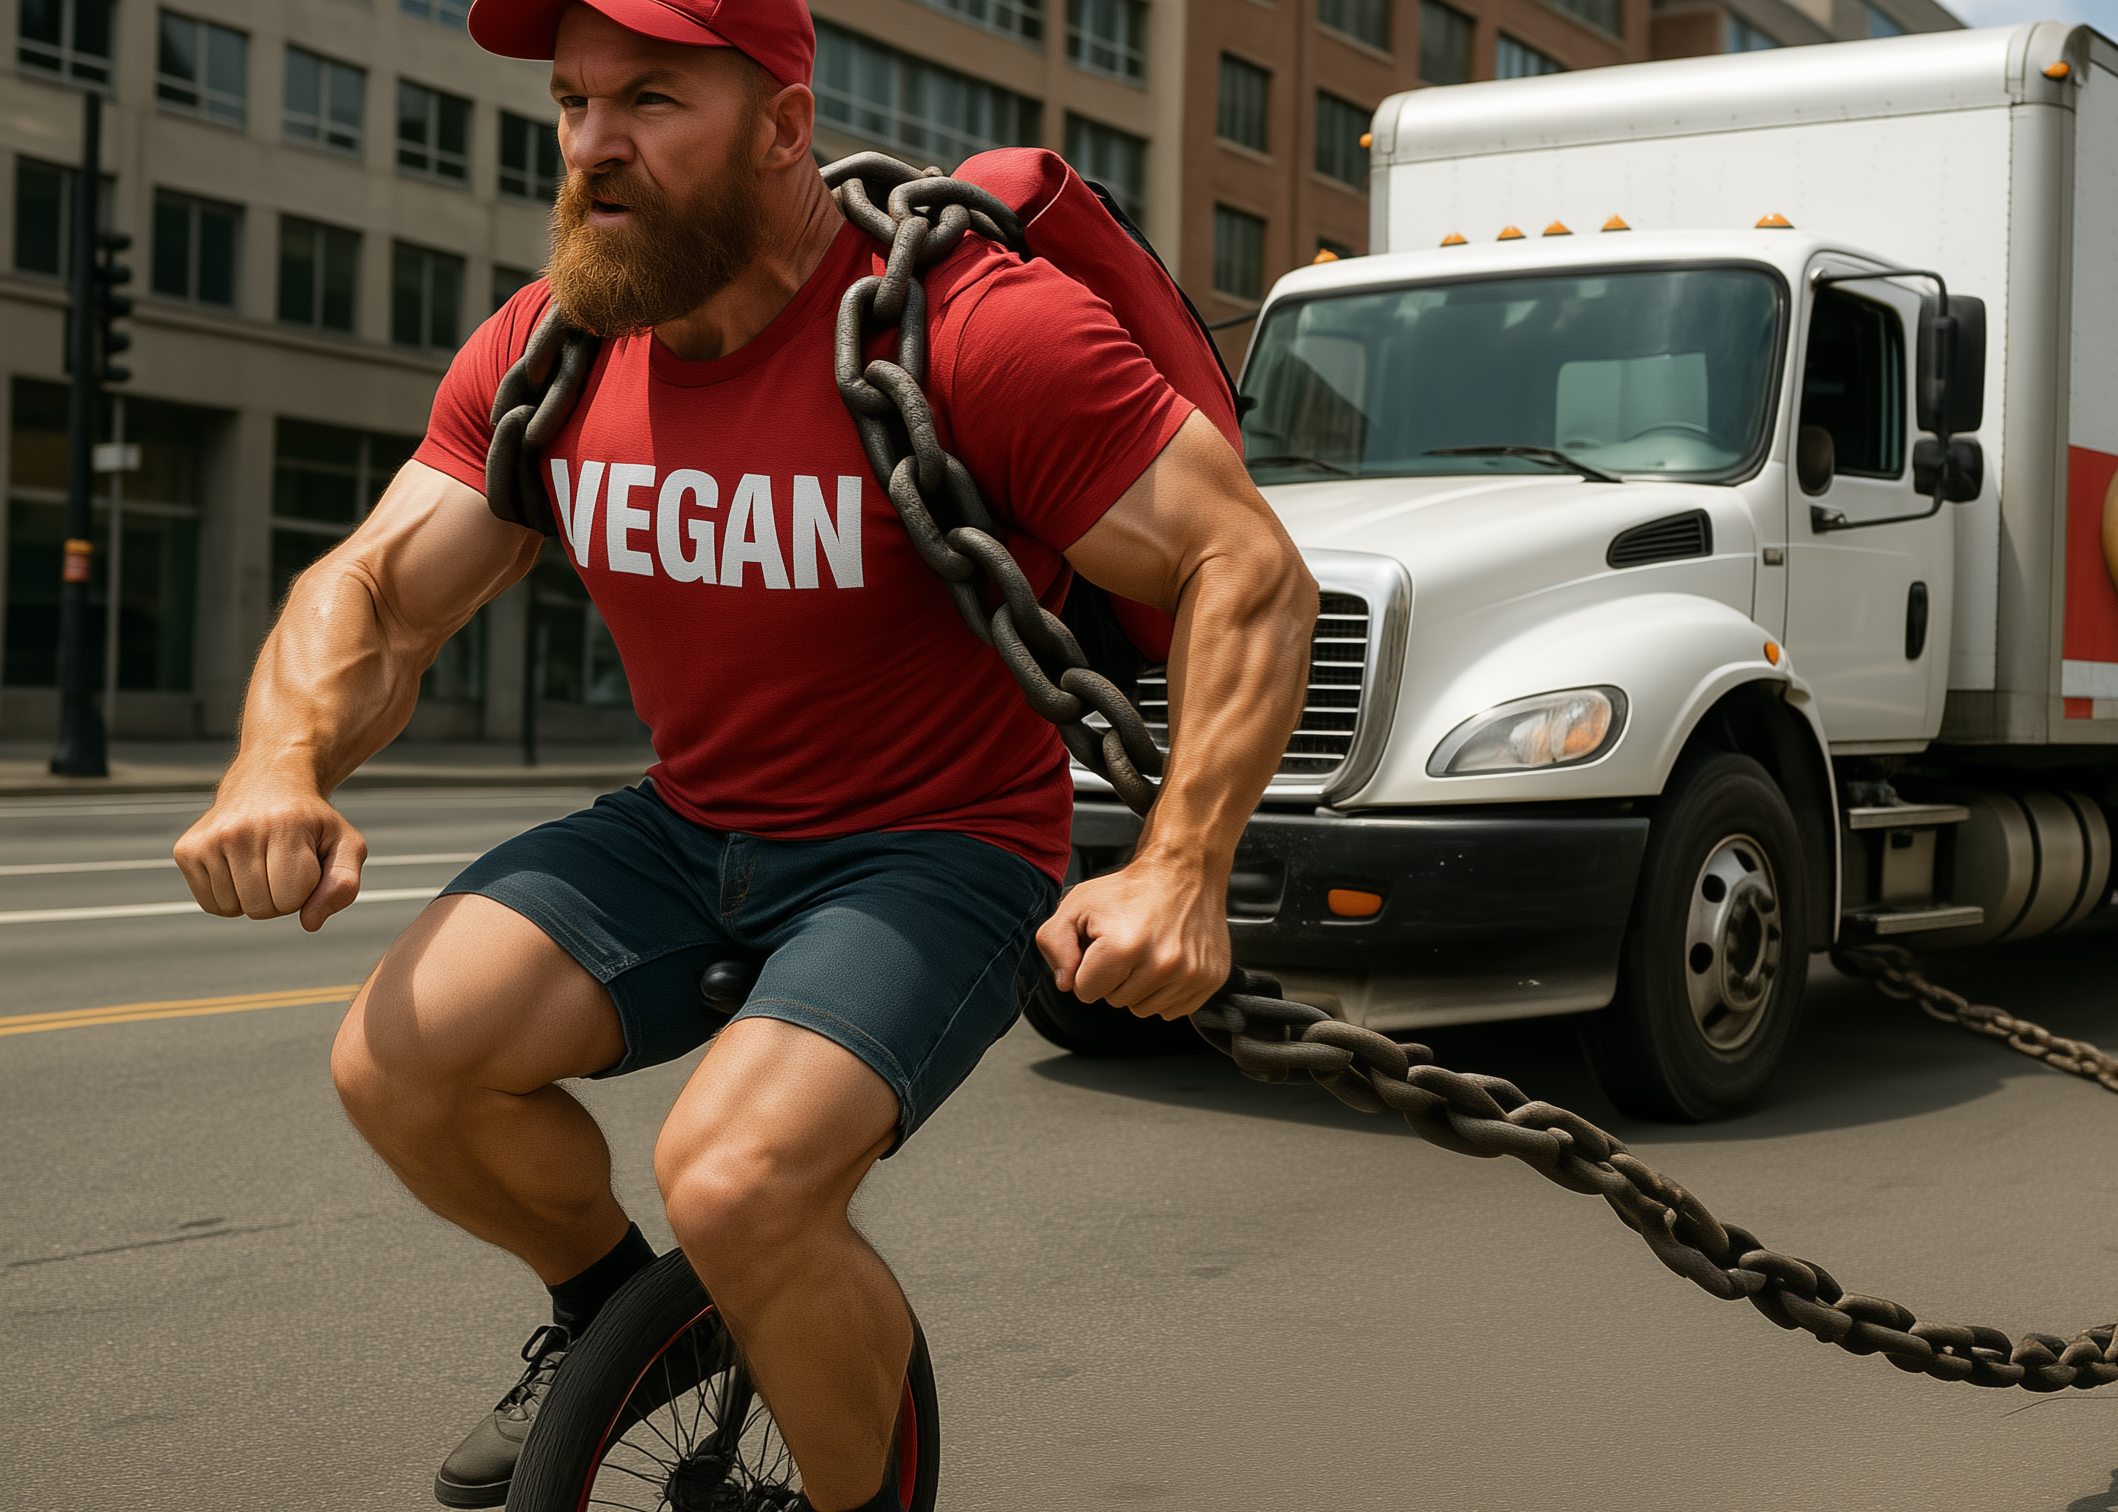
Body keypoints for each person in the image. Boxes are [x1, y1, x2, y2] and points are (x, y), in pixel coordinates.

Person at [168, 0, 1318, 1507]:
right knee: (399, 1064)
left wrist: (1182, 865)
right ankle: (608, 1317)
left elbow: (1247, 569)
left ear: (784, 127)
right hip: (690, 822)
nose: (596, 146)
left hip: (937, 848)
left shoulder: (969, 329)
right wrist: (277, 763)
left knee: (737, 1179)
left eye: (650, 100)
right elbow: (375, 591)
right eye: (576, 105)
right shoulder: (551, 357)